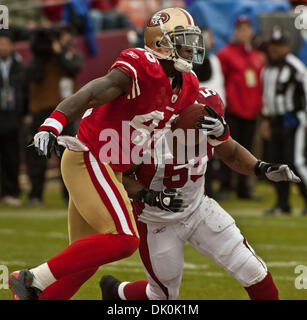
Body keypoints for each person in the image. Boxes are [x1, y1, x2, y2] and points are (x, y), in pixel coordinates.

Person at [8, 7, 205, 300]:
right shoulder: (142, 64)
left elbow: (156, 139)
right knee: (124, 239)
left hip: (111, 167)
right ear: (160, 42)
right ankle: (31, 278)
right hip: (90, 157)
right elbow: (93, 91)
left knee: (83, 263)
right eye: (182, 40)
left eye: (192, 40)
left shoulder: (188, 86)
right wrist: (53, 123)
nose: (191, 48)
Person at [99, 87, 300, 301]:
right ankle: (116, 292)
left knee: (253, 271)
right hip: (156, 222)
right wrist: (150, 196)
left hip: (199, 210)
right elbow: (116, 175)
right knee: (163, 296)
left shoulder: (206, 128)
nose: (204, 143)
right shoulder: (147, 135)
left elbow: (231, 152)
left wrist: (263, 168)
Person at [25, 24, 82, 206]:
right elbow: (31, 75)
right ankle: (35, 195)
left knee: (66, 156)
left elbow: (73, 67)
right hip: (41, 110)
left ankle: (68, 196)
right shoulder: (40, 59)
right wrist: (45, 53)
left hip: (65, 112)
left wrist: (58, 52)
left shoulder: (71, 55)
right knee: (37, 154)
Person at [217, 15, 265, 199]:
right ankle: (225, 186)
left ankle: (244, 188)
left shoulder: (256, 56)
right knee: (227, 149)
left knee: (249, 150)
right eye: (240, 28)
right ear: (235, 31)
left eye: (247, 28)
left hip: (252, 112)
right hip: (233, 111)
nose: (244, 32)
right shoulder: (225, 54)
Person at [261, 25, 307, 215]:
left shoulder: (296, 67)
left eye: (279, 45)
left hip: (293, 120)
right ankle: (282, 204)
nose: (275, 49)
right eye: (272, 44)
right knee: (276, 164)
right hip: (274, 121)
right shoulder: (267, 68)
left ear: (287, 46)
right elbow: (266, 96)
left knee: (295, 162)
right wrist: (265, 120)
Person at [0, 30, 27, 206]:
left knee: (12, 155)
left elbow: (25, 91)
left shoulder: (18, 64)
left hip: (12, 115)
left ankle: (12, 191)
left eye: (6, 43)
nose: (3, 47)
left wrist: (24, 113)